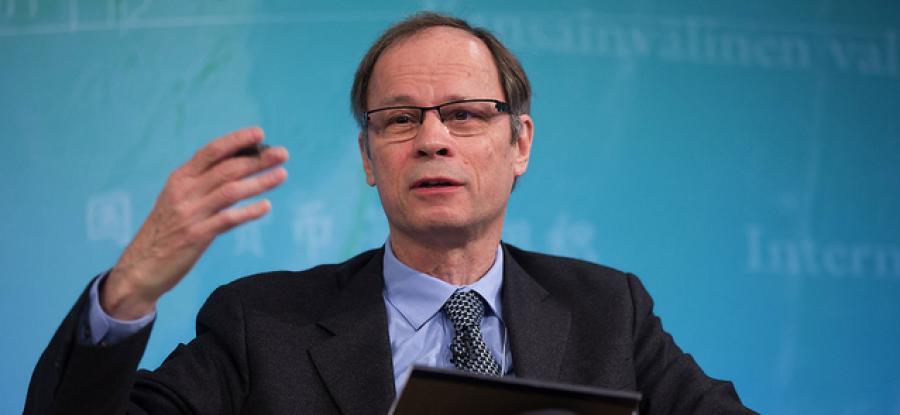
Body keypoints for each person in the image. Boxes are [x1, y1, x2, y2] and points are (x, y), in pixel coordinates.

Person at [25, 12, 755, 415]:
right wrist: (127, 294)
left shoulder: (606, 311)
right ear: (369, 159)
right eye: (400, 119)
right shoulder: (261, 325)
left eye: (464, 114)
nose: (432, 138)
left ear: (519, 143)